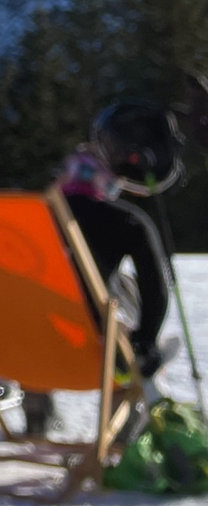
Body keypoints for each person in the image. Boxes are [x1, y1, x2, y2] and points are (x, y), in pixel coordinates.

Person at [59, 100, 179, 382]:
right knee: (122, 294)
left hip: (10, 346)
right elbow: (155, 292)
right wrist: (145, 342)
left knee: (115, 283)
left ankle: (37, 411)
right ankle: (128, 411)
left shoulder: (34, 217)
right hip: (91, 352)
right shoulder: (128, 223)